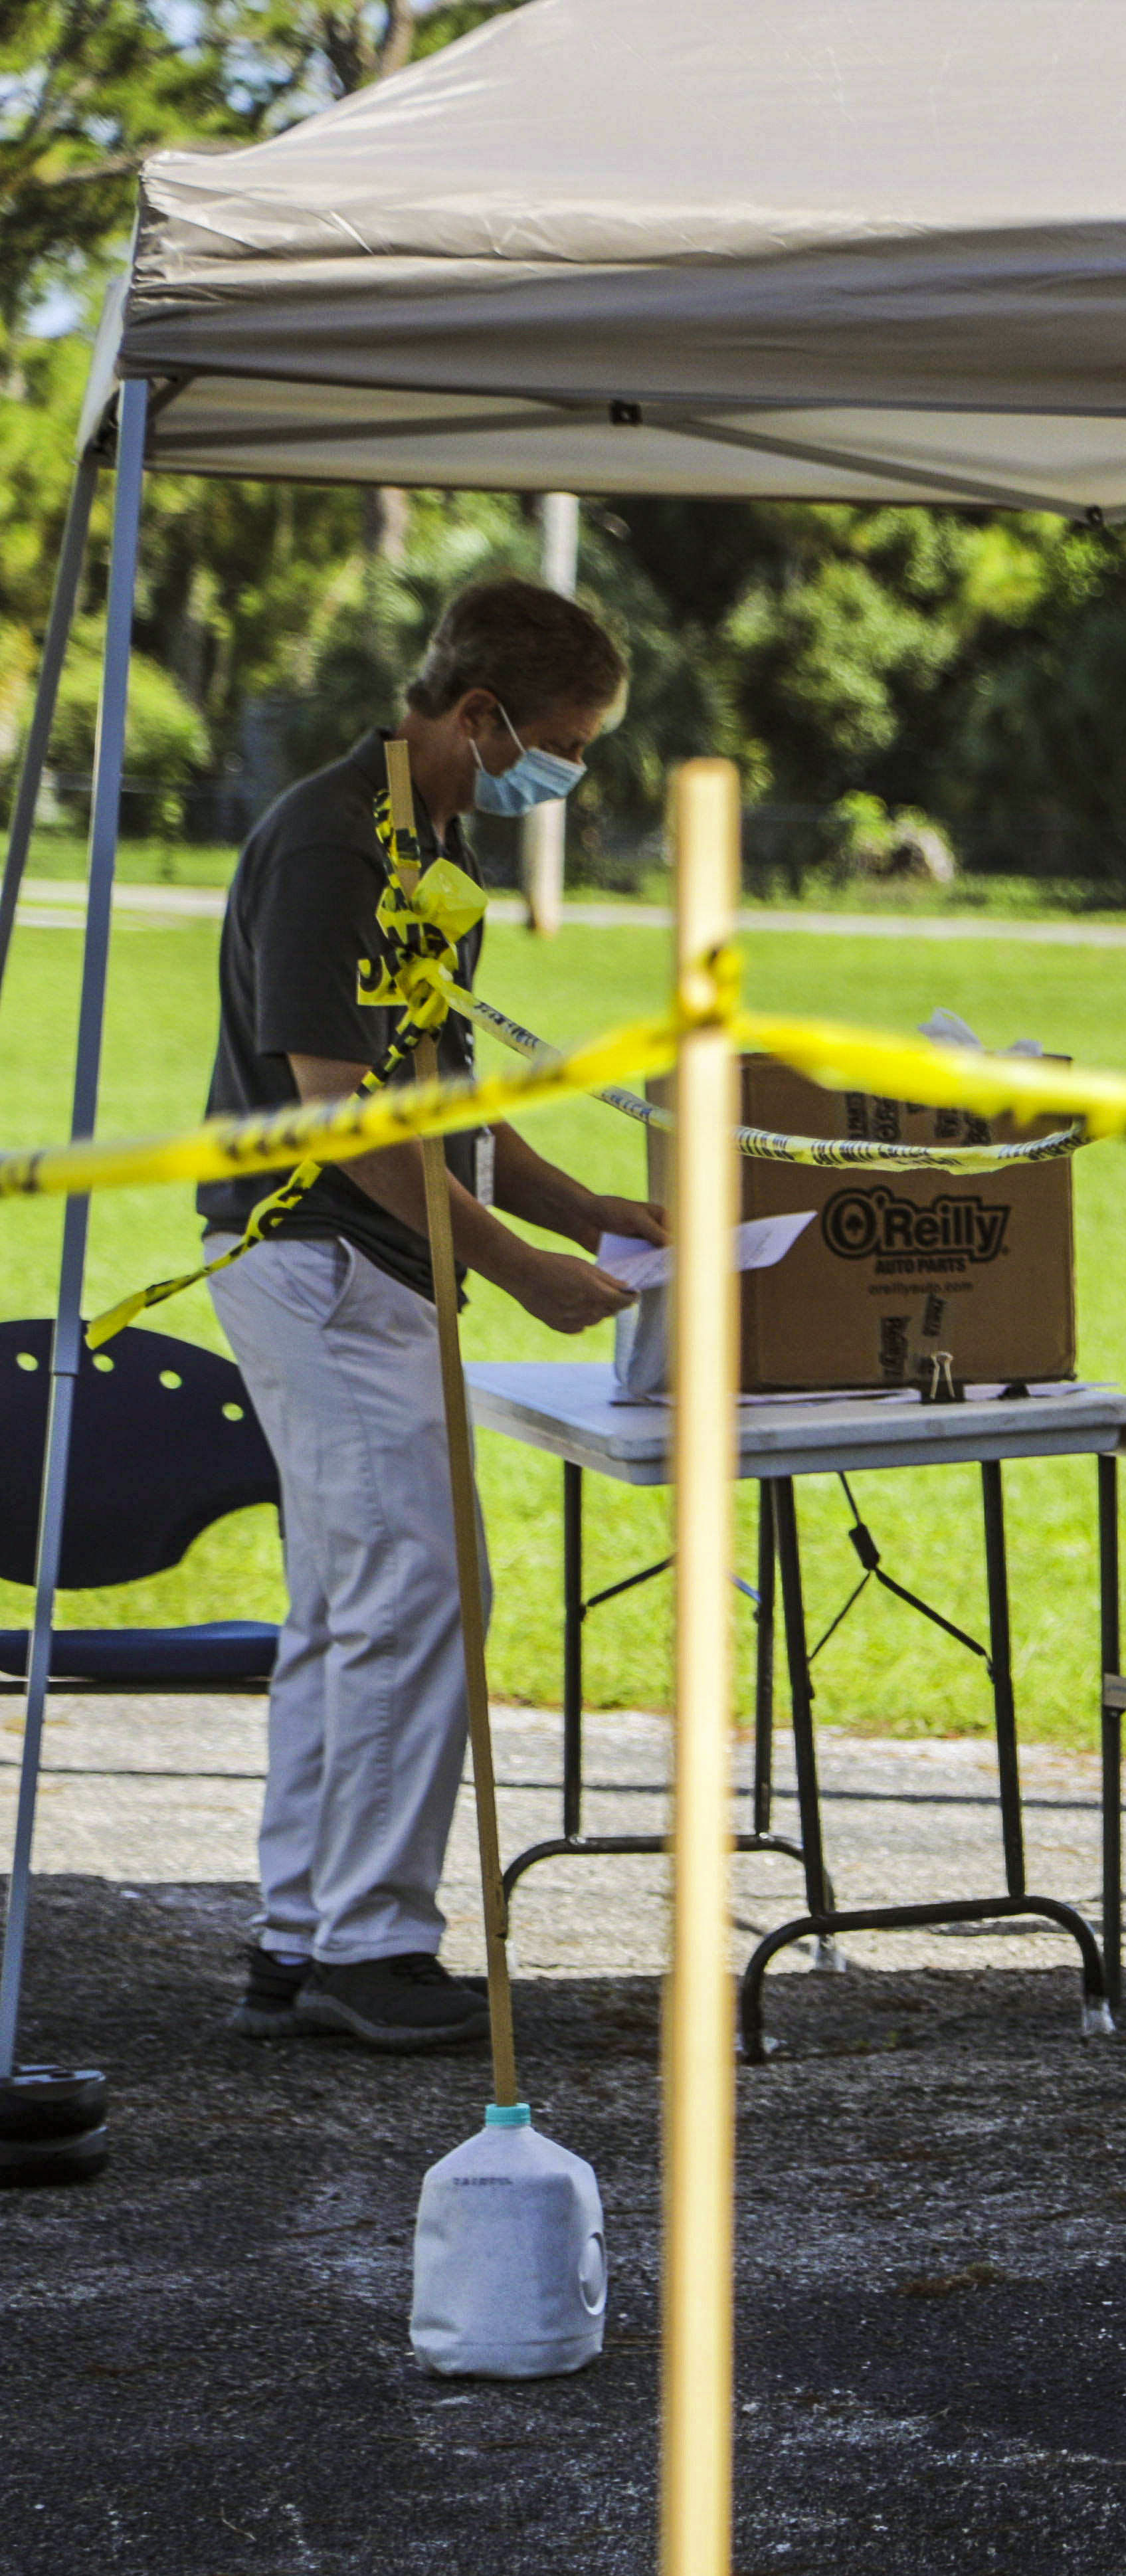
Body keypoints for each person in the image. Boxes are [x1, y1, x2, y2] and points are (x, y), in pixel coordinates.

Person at [205, 576, 655, 2053]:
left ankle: (302, 1933)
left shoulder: (425, 841)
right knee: (419, 1591)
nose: (568, 772)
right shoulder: (334, 844)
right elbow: (342, 1118)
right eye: (567, 740)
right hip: (322, 1266)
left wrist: (587, 1211)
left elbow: (444, 1105)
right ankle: (374, 1940)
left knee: (353, 1608)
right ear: (481, 715)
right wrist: (523, 1269)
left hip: (377, 1268)